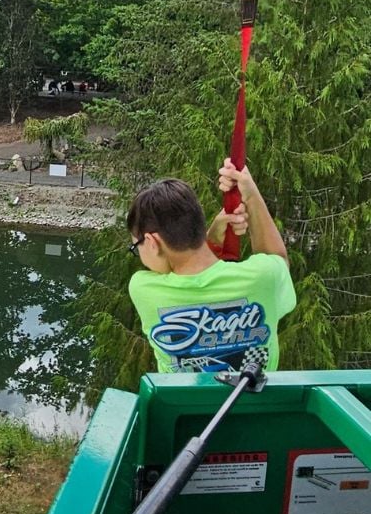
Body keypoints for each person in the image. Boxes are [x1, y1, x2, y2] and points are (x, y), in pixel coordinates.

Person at [127, 159, 296, 374]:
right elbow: (277, 259)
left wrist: (212, 239)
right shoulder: (263, 278)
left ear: (152, 242)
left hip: (184, 407)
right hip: (252, 404)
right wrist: (250, 195)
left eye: (136, 247)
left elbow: (184, 270)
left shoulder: (143, 289)